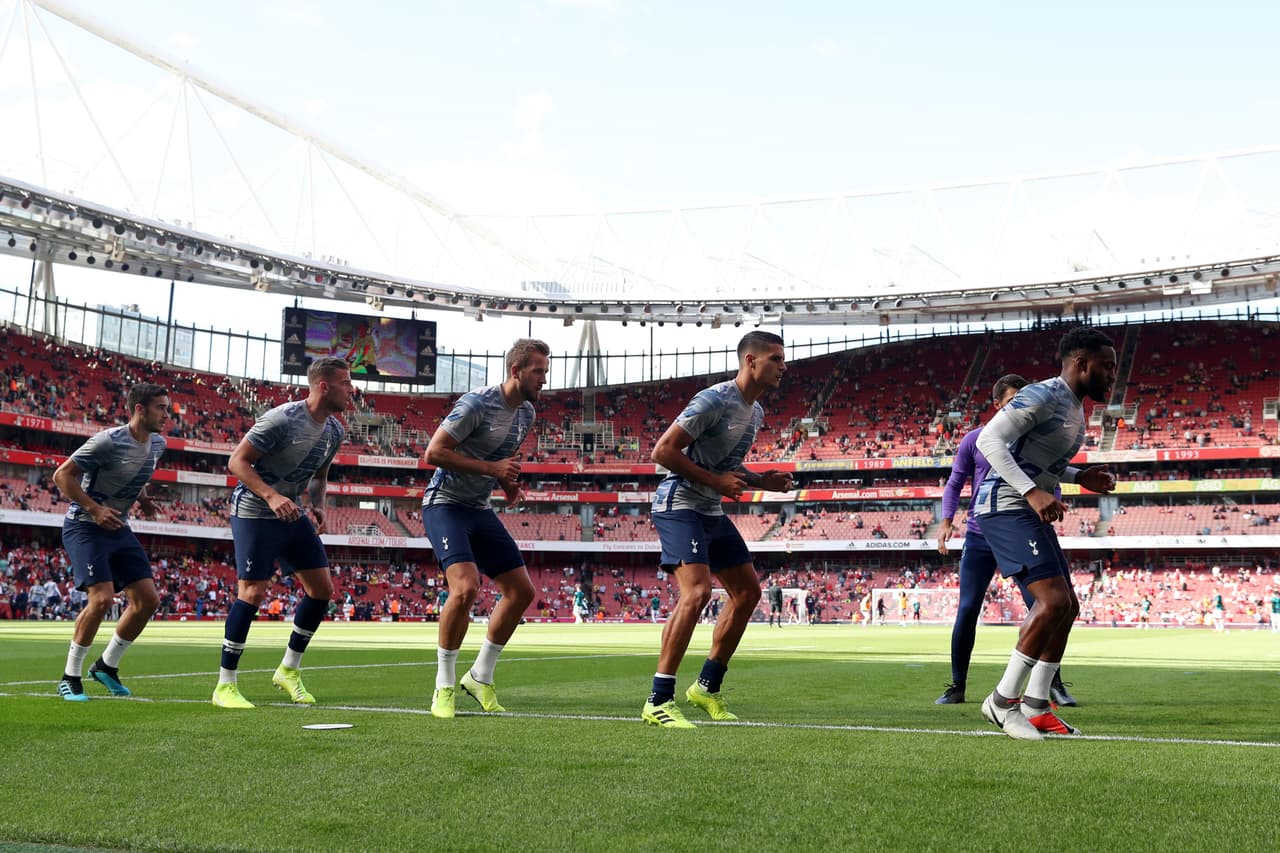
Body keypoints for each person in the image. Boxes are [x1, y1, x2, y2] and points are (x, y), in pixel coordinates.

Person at [641, 330, 794, 729]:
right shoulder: (714, 399)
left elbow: (727, 469)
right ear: (751, 361)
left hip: (709, 510)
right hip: (679, 504)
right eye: (776, 358)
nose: (783, 366)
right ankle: (658, 700)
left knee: (747, 592)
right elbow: (663, 451)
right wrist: (717, 483)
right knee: (697, 592)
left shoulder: (755, 412)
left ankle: (706, 687)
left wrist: (764, 482)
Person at [975, 327, 1117, 739]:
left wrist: (1078, 477)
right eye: (1106, 367)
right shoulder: (1042, 394)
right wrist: (1032, 491)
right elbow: (990, 440)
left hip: (1027, 509)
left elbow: (1036, 459)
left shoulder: (1073, 406)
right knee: (1052, 602)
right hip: (1005, 507)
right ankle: (1002, 702)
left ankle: (1037, 705)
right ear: (1081, 364)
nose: (1111, 375)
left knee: (1068, 606)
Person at [212, 356, 351, 709]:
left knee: (321, 590)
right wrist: (272, 496)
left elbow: (319, 475)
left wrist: (317, 505)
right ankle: (225, 685)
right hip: (256, 510)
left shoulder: (335, 429)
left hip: (291, 511)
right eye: (345, 384)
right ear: (324, 386)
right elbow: (237, 461)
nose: (351, 390)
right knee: (252, 592)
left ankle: (288, 670)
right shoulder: (282, 419)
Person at [421, 338, 547, 719]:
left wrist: (508, 484)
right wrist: (494, 472)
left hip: (478, 508)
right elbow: (434, 453)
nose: (544, 378)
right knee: (466, 588)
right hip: (444, 504)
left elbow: (500, 460)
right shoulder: (477, 403)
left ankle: (480, 676)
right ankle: (444, 685)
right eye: (538, 370)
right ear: (515, 370)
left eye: (545, 370)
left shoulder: (526, 414)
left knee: (522, 592)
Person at [935, 374, 1076, 707]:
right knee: (968, 609)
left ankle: (1051, 683)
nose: (1020, 407)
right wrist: (945, 522)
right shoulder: (976, 439)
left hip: (1022, 529)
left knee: (1044, 606)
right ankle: (957, 685)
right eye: (1013, 401)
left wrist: (1050, 497)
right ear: (997, 404)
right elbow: (955, 483)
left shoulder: (1034, 440)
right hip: (982, 535)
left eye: (1024, 400)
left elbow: (1050, 476)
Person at [52, 383, 169, 701]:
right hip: (85, 527)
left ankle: (106, 667)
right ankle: (69, 676)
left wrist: (143, 499)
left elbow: (133, 475)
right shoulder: (108, 441)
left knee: (148, 601)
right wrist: (94, 508)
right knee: (102, 599)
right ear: (139, 409)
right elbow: (62, 475)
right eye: (161, 407)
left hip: (119, 528)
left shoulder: (158, 444)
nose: (167, 414)